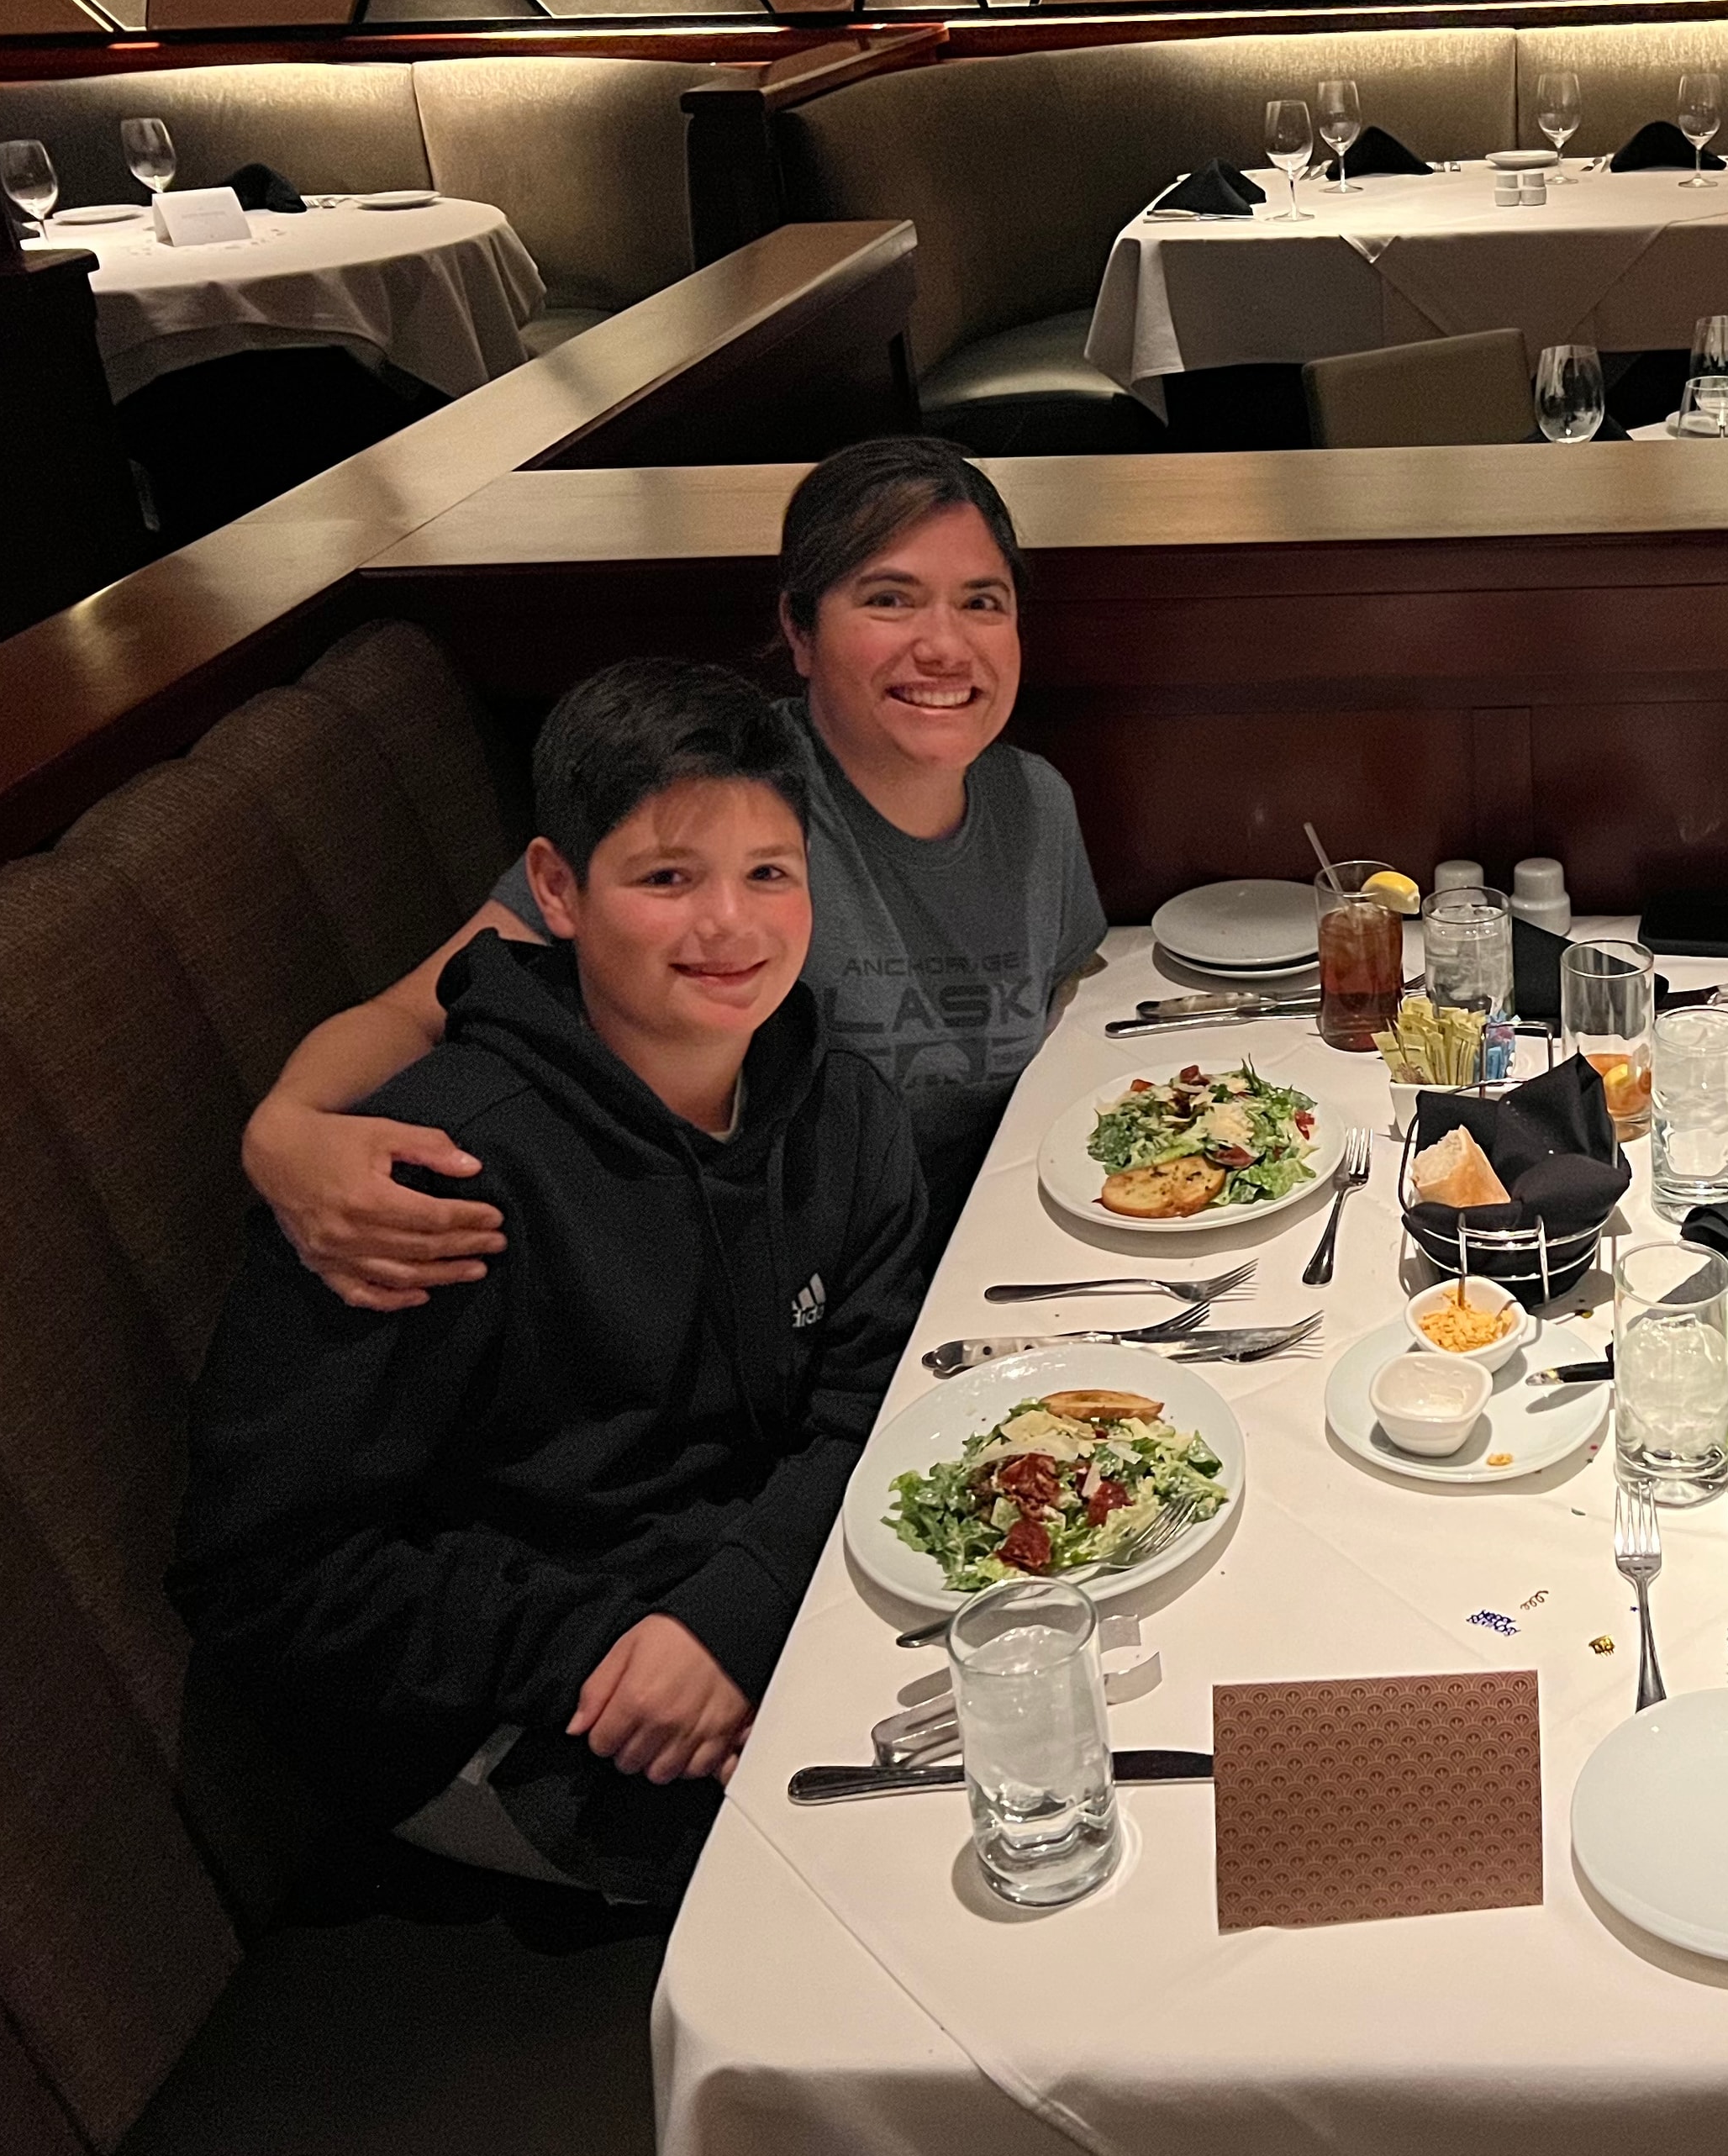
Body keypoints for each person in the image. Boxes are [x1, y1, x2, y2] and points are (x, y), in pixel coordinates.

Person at [171, 661, 928, 1904]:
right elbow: (266, 1572)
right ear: (558, 890)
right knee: (936, 1871)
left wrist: (733, 1614)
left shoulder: (840, 1114)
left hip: (744, 1612)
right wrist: (605, 1650)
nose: (730, 927)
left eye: (768, 873)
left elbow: (878, 1401)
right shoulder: (435, 1171)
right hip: (513, 1720)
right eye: (668, 877)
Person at [243, 435, 1104, 1306]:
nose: (945, 646)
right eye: (890, 599)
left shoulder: (1033, 805)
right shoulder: (726, 805)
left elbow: (1069, 1021)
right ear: (799, 633)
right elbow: (414, 1013)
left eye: (981, 602)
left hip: (991, 1264)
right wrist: (288, 1130)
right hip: (787, 1302)